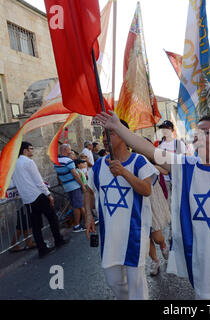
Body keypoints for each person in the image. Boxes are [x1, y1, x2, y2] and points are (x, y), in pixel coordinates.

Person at [94, 111, 210, 300]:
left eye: (205, 132)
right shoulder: (186, 166)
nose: (197, 136)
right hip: (203, 268)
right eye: (197, 133)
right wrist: (118, 127)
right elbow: (149, 150)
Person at [84, 120, 159, 300]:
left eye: (110, 133)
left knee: (136, 286)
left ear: (125, 136)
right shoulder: (99, 165)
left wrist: (124, 172)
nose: (104, 138)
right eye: (103, 134)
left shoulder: (138, 161)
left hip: (134, 234)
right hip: (110, 235)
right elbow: (88, 190)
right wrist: (88, 216)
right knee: (114, 281)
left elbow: (146, 190)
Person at [11, 142, 68, 258]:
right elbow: (38, 180)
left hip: (27, 199)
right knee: (52, 218)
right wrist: (48, 194)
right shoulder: (28, 162)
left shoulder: (14, 164)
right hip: (37, 195)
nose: (33, 151)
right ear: (25, 150)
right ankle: (58, 240)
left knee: (36, 225)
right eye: (31, 149)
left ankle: (42, 249)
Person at [144, 138, 171, 276]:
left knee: (157, 237)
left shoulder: (154, 160)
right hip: (139, 201)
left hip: (152, 200)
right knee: (146, 236)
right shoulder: (132, 160)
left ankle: (163, 245)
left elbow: (166, 172)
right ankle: (154, 261)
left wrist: (151, 166)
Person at [54, 144, 87, 232]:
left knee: (77, 205)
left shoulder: (56, 160)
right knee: (77, 206)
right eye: (69, 150)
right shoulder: (68, 160)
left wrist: (61, 183)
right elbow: (75, 175)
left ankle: (85, 222)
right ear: (65, 150)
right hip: (74, 186)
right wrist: (82, 185)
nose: (70, 151)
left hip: (67, 186)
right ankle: (77, 226)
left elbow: (58, 175)